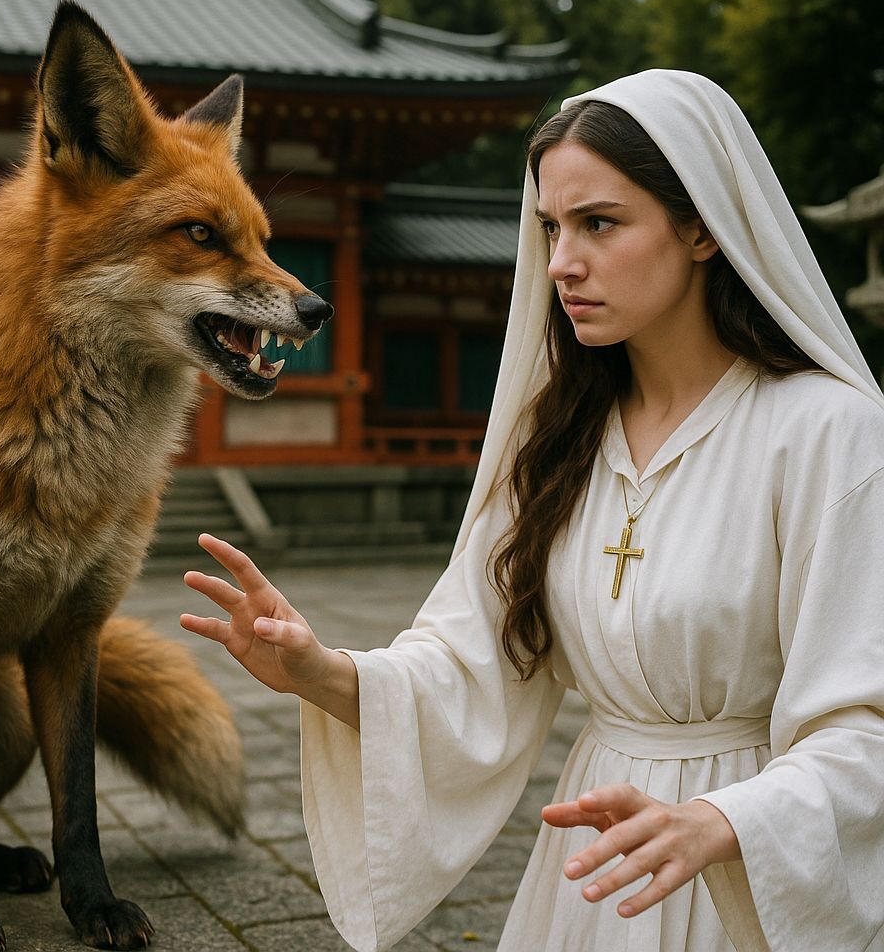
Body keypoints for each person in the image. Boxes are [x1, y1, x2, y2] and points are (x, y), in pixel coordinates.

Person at [179, 70, 884, 952]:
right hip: (590, 871)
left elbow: (867, 727)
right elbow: (475, 662)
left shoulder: (833, 436)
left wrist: (720, 820)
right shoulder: (557, 442)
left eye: (599, 223)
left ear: (701, 224)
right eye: (552, 228)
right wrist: (319, 670)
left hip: (749, 865)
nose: (561, 263)